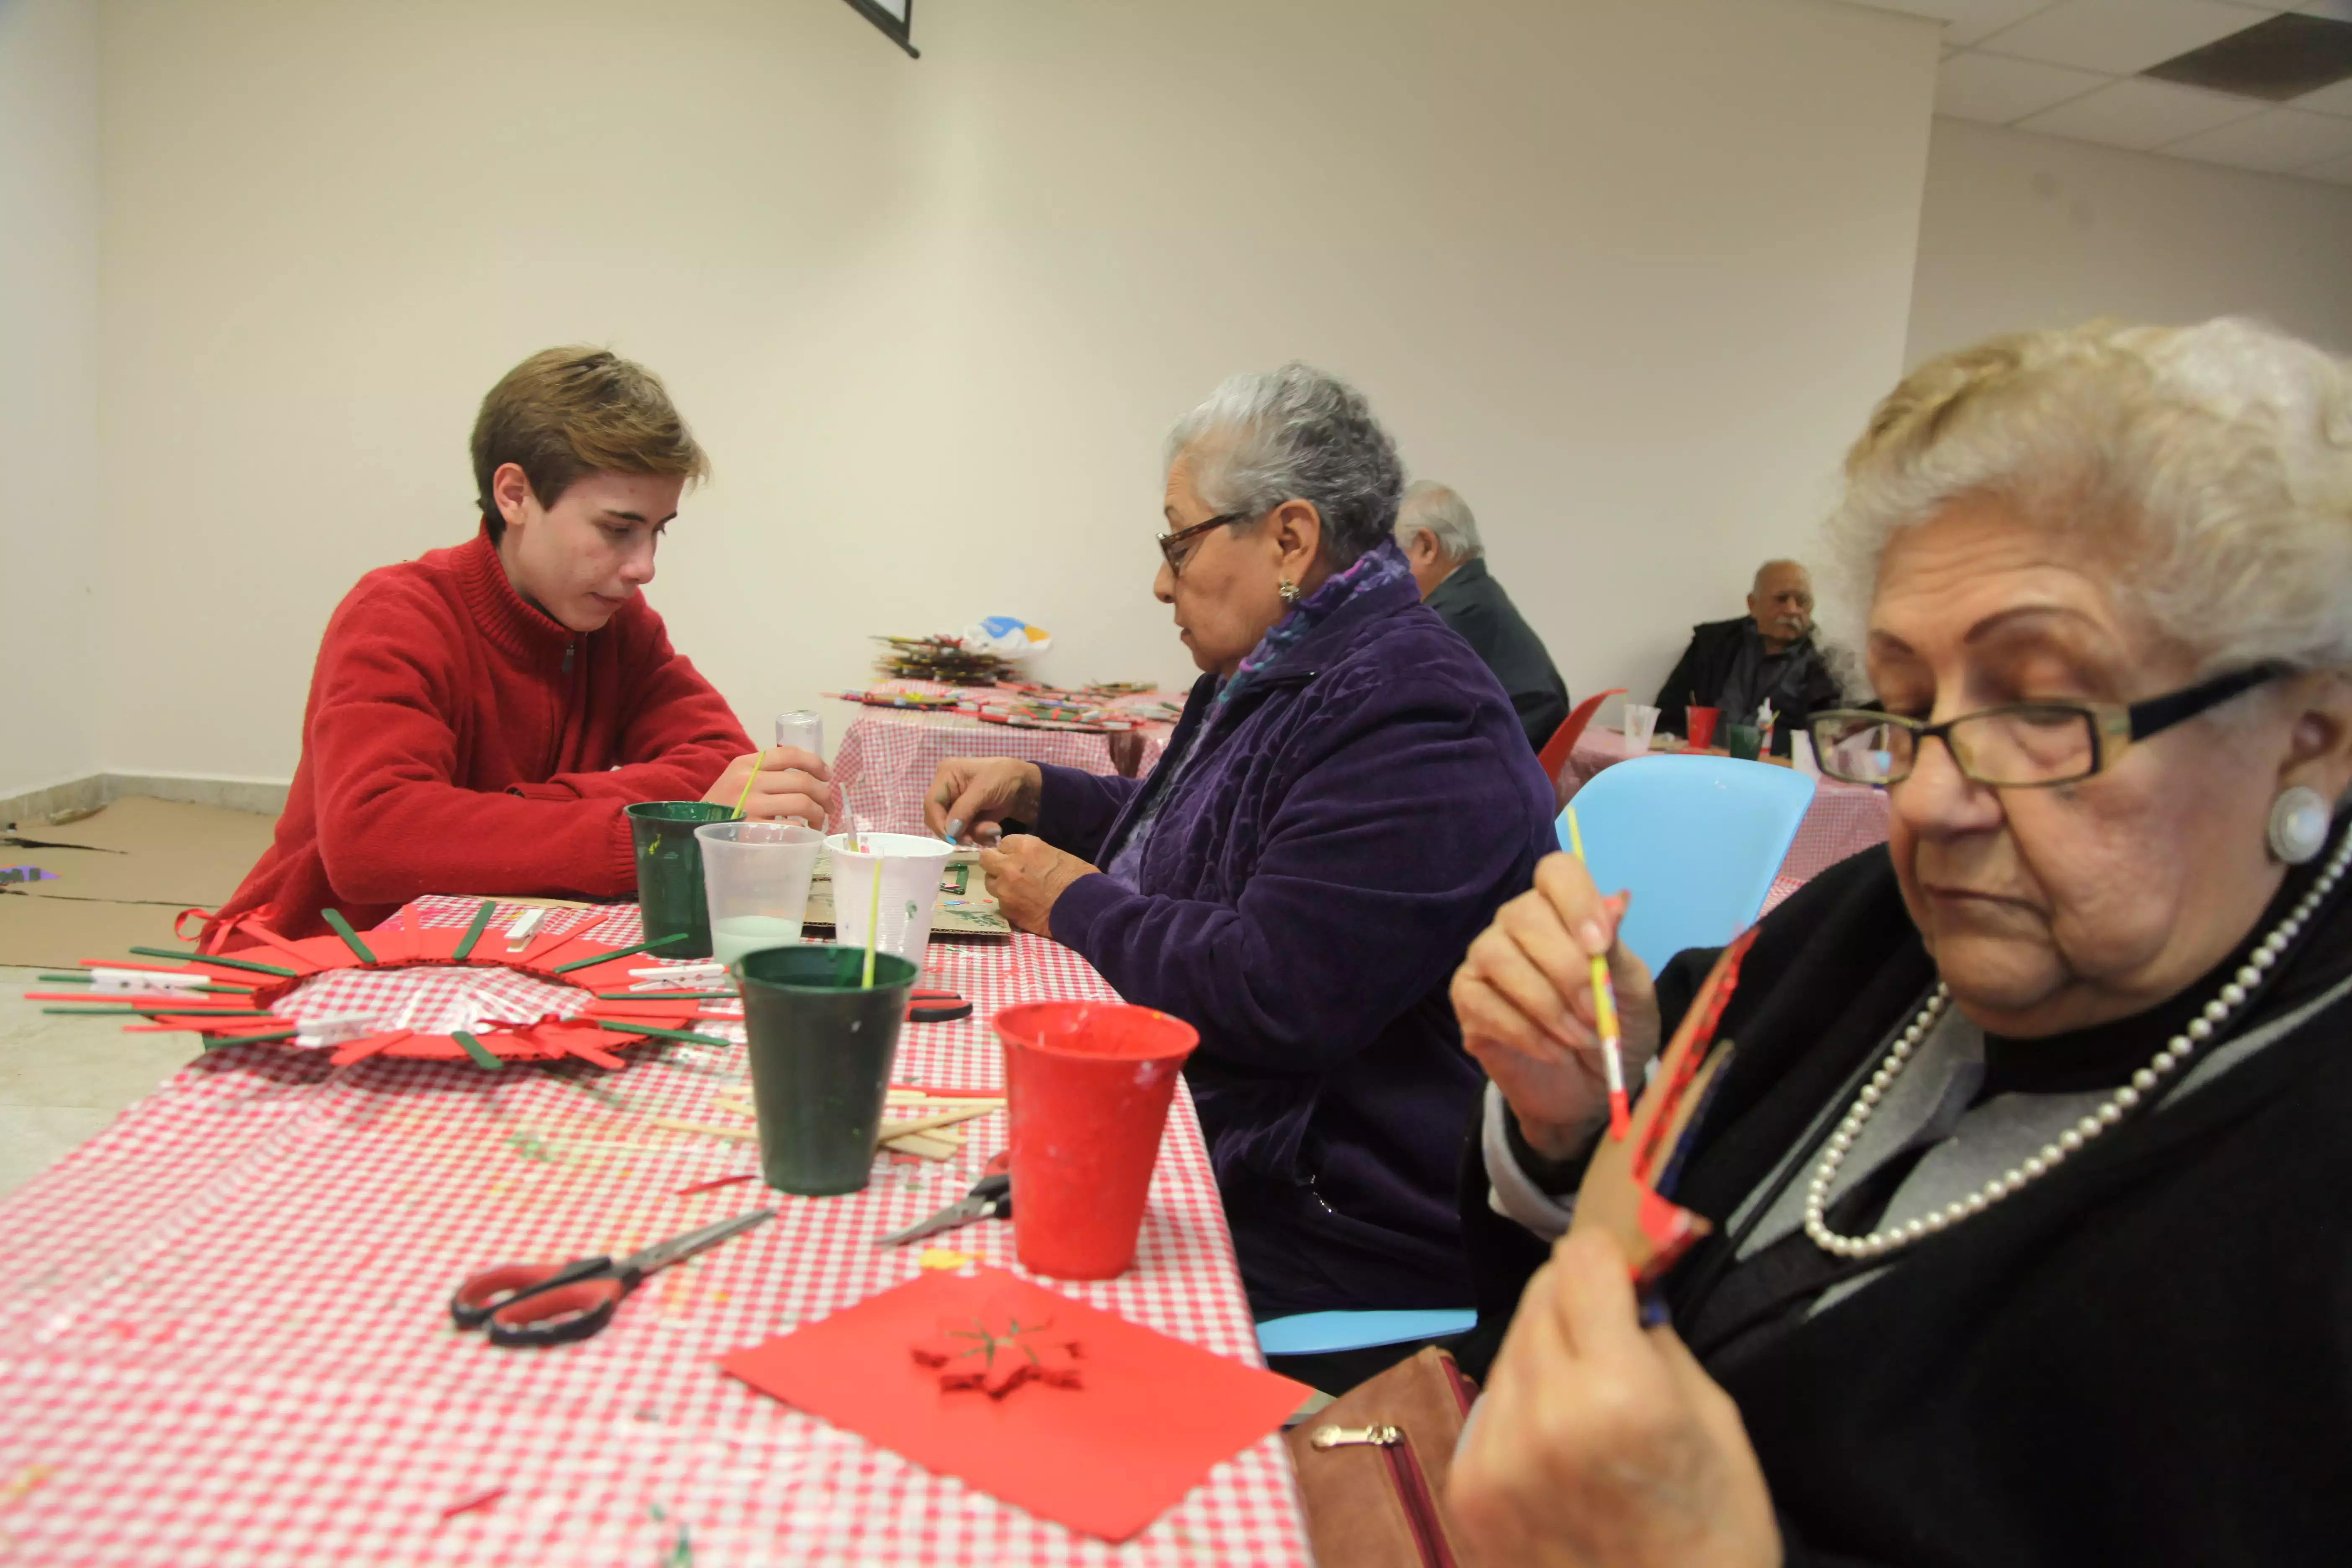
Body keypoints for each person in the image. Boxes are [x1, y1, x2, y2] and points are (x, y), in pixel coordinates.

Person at [1442, 317, 2352, 1566]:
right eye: (1911, 707)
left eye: (2041, 707)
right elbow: (1609, 1239)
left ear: (2309, 739)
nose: (1926, 799)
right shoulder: (1864, 925)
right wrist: (1572, 1111)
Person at [926, 364, 1557, 1334]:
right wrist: (1044, 793)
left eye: (1177, 542)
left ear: (1290, 537)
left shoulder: (1417, 711)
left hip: (1339, 1214)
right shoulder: (1293, 662)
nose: (1159, 580)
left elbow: (1276, 989)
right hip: (1260, 1148)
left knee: (973, 1274)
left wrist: (1074, 902)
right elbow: (1206, 827)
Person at [209, 347, 831, 944]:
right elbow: (372, 841)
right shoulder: (396, 615)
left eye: (656, 532)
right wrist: (648, 830)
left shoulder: (619, 626)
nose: (645, 567)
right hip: (327, 958)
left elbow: (718, 761)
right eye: (618, 530)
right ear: (515, 496)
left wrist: (497, 815)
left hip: (489, 947)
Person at [1395, 480, 1571, 751]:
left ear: (1427, 547)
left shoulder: (1455, 614)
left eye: (1392, 557)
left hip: (1506, 755)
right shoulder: (1474, 594)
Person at [1655, 558, 1841, 755]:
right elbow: (1667, 718)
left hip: (1780, 775)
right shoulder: (1713, 645)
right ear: (1752, 604)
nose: (1792, 610)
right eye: (1781, 599)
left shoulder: (1829, 662)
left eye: (1802, 601)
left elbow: (1830, 744)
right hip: (1704, 767)